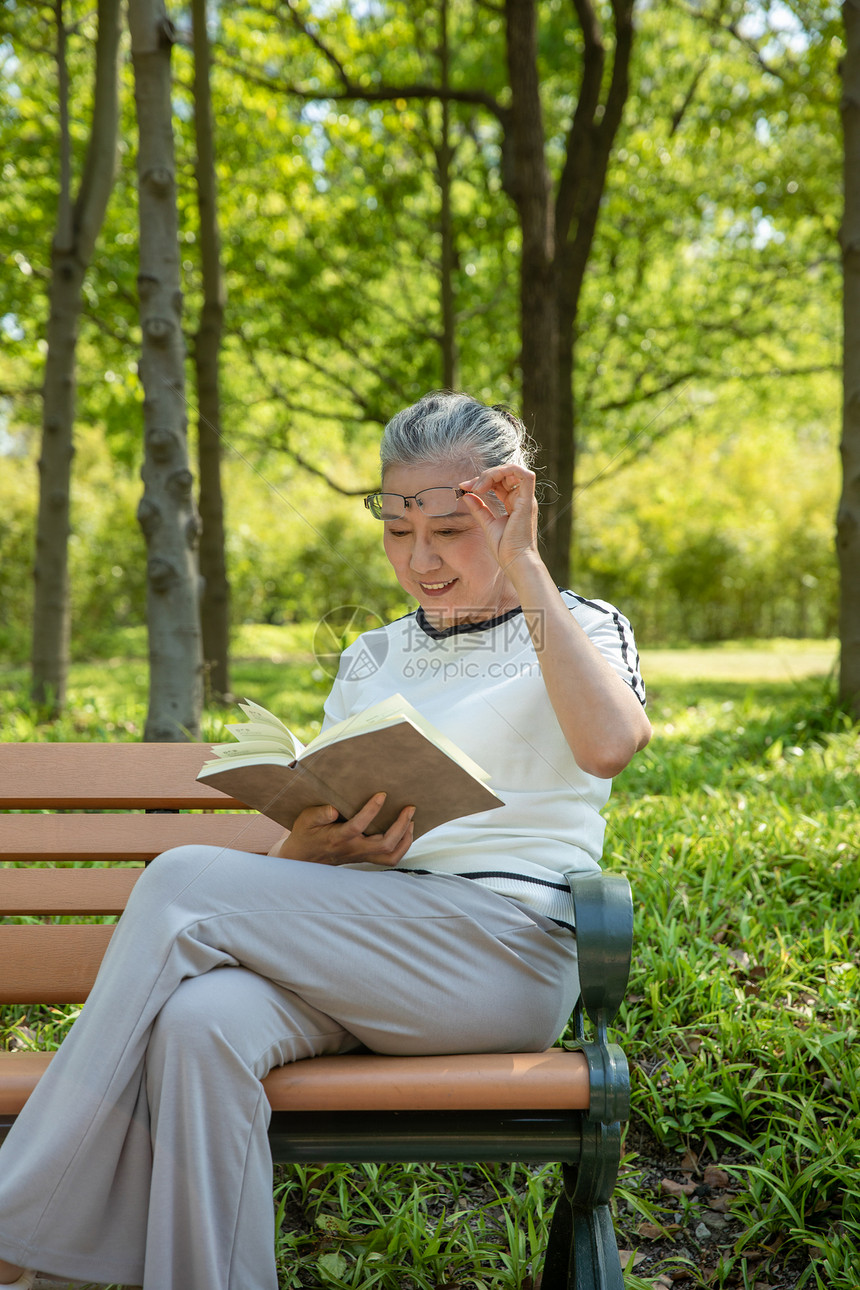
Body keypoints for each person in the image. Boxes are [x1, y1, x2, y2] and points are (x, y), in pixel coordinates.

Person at [0, 391, 651, 1290]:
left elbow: (612, 744)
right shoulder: (372, 656)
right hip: (364, 938)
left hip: (500, 954)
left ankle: (16, 1221)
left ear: (505, 507)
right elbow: (324, 826)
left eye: (451, 531)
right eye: (397, 531)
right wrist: (318, 845)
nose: (419, 560)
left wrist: (526, 564)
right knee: (203, 1024)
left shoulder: (580, 626)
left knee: (184, 876)